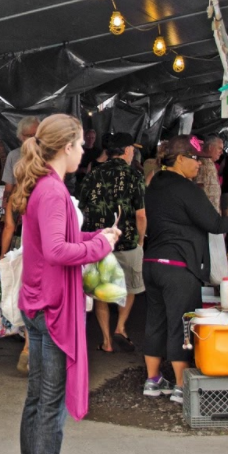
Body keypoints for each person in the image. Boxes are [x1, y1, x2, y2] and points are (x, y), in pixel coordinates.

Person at [13, 114, 118, 454]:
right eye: (79, 144)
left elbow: (55, 242)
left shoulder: (43, 187)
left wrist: (95, 238)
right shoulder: (54, 192)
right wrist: (99, 249)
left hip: (38, 301)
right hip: (52, 307)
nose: (84, 151)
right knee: (49, 406)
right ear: (65, 147)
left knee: (39, 401)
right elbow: (58, 250)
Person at [142, 136, 228, 403]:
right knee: (181, 326)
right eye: (195, 159)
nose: (200, 165)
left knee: (155, 322)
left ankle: (152, 381)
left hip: (152, 264)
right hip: (179, 267)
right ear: (179, 159)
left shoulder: (154, 184)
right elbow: (215, 224)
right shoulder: (187, 189)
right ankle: (179, 386)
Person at [77, 132, 146, 354]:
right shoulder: (135, 175)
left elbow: (81, 208)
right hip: (127, 242)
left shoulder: (92, 175)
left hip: (97, 243)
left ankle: (106, 340)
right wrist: (141, 240)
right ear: (126, 150)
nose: (133, 153)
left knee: (100, 291)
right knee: (131, 287)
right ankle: (121, 327)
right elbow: (141, 215)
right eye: (132, 150)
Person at [0, 116, 40, 375]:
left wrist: (3, 255)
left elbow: (9, 226)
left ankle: (28, 345)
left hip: (23, 247)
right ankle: (31, 346)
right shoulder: (51, 190)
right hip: (39, 249)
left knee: (25, 293)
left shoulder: (17, 196)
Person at [196, 135, 224, 210]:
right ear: (210, 147)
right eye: (219, 148)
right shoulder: (202, 163)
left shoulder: (209, 162)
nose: (221, 152)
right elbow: (199, 188)